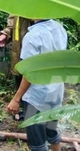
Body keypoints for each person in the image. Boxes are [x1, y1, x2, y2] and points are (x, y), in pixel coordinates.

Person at [6, 19, 68, 151]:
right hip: (56, 92)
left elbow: (29, 74)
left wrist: (16, 99)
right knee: (52, 132)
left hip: (37, 97)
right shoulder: (59, 28)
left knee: (38, 143)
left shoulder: (33, 36)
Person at [0, 15, 32, 120]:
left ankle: (30, 112)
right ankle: (21, 109)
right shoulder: (18, 7)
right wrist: (5, 34)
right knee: (19, 77)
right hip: (19, 50)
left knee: (30, 78)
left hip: (31, 48)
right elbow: (12, 23)